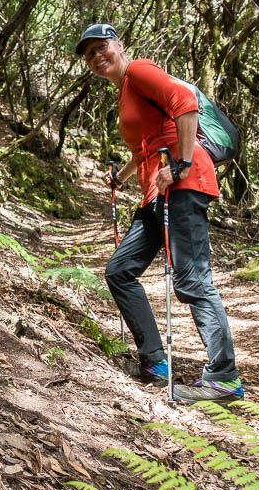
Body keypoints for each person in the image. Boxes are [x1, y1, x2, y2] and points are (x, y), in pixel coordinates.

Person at [75, 23, 243, 404]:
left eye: (101, 47)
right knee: (120, 271)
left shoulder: (140, 71)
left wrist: (182, 164)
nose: (97, 56)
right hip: (155, 193)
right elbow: (144, 148)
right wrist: (122, 175)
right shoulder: (125, 92)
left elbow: (186, 104)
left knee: (192, 281)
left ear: (119, 46)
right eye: (89, 54)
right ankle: (155, 363)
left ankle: (224, 378)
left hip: (183, 185)